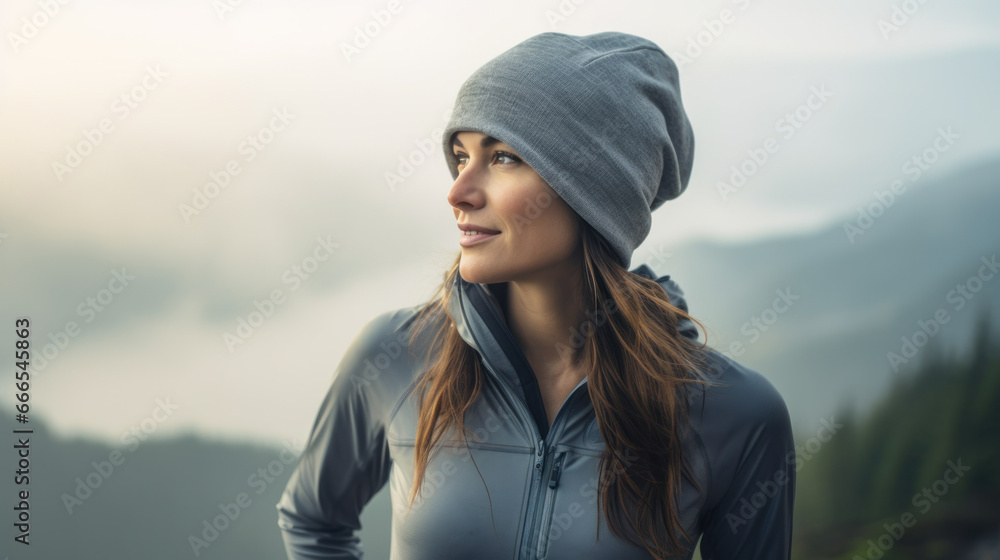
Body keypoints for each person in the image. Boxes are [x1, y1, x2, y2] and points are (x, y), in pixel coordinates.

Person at [275, 31, 796, 560]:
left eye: (502, 157)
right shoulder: (395, 355)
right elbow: (312, 520)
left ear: (596, 193)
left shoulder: (734, 413)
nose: (457, 190)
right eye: (461, 155)